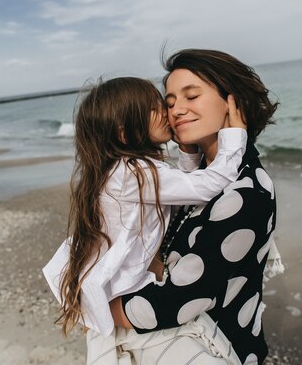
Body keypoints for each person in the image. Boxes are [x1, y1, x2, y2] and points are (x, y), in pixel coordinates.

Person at [108, 49, 281, 365]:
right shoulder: (203, 175)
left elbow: (181, 299)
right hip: (182, 345)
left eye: (191, 96)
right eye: (170, 102)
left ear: (233, 102)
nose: (176, 110)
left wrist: (106, 308)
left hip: (217, 351)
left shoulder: (246, 191)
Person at [42, 77, 248, 339]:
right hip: (124, 286)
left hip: (118, 280)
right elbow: (210, 185)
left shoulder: (124, 169)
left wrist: (187, 151)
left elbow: (183, 190)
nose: (166, 111)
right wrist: (235, 134)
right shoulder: (135, 173)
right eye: (153, 108)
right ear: (124, 134)